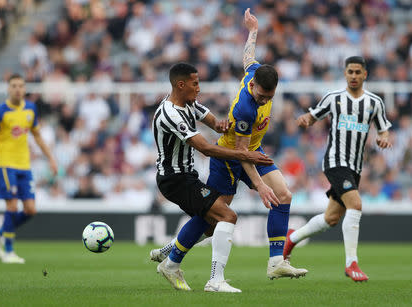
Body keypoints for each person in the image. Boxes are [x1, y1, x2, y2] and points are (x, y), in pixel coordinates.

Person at [151, 8, 307, 281]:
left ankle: (276, 261)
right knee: (215, 219)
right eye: (261, 95)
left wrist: (253, 31)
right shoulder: (246, 109)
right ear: (253, 86)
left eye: (269, 97)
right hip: (231, 157)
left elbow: (248, 56)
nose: (263, 100)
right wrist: (259, 185)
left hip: (250, 152)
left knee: (283, 195)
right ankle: (173, 255)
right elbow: (242, 154)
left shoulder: (256, 73)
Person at [152, 62, 274, 292]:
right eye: (195, 83)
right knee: (227, 216)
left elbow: (210, 119)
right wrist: (244, 154)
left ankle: (169, 258)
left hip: (187, 175)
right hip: (175, 180)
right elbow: (205, 148)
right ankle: (215, 280)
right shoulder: (170, 114)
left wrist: (221, 124)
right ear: (181, 84)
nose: (199, 88)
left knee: (210, 226)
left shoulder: (188, 103)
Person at [283, 56, 392, 282]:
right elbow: (313, 117)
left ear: (365, 75)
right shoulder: (333, 98)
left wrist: (384, 138)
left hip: (355, 167)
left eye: (357, 72)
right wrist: (305, 119)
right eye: (350, 72)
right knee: (356, 204)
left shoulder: (375, 102)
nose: (353, 76)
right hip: (335, 161)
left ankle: (292, 238)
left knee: (331, 218)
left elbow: (383, 129)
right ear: (345, 74)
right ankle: (351, 263)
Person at [0, 74, 58, 264]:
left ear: (24, 89)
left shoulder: (31, 109)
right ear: (8, 89)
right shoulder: (0, 112)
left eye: (21, 86)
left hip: (25, 165)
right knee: (12, 206)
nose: (17, 89)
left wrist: (51, 158)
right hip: (6, 165)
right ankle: (8, 251)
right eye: (14, 86)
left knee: (30, 210)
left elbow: (37, 136)